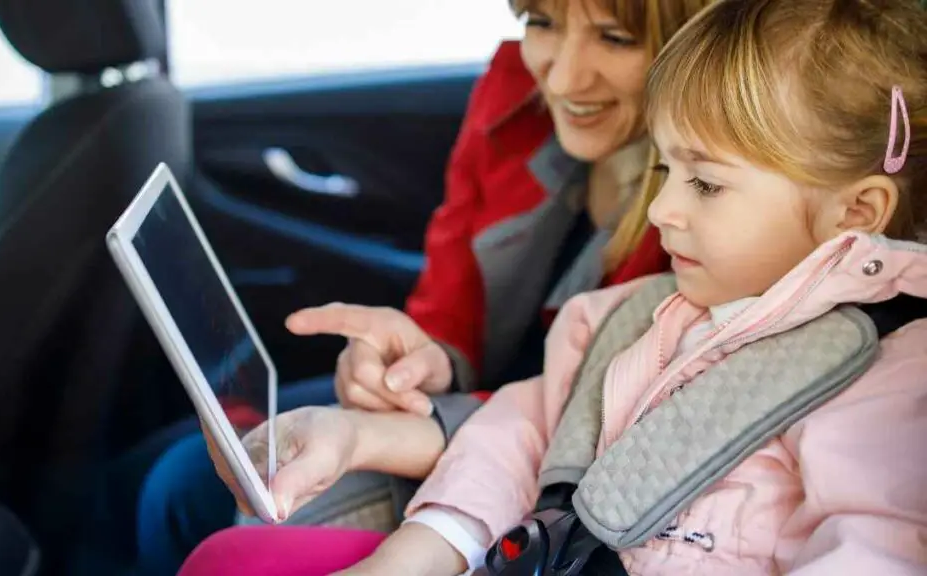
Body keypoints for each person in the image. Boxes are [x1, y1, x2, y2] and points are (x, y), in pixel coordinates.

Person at [178, 0, 927, 573]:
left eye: (702, 183)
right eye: (665, 172)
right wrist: (417, 547)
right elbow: (527, 429)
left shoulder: (890, 380)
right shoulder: (631, 317)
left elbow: (873, 546)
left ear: (855, 213)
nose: (663, 211)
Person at [135, 0, 709, 572]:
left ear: (697, 37)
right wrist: (425, 357)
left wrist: (376, 431)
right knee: (165, 469)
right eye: (542, 23)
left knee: (188, 496)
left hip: (533, 473)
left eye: (614, 39)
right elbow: (451, 279)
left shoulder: (703, 221)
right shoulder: (514, 90)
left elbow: (582, 427)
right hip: (462, 417)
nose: (562, 77)